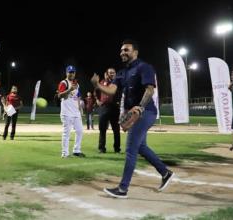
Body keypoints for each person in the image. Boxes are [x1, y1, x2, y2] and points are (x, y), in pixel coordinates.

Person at [91, 39, 174, 198]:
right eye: (121, 50)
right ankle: (165, 173)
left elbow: (149, 90)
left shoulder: (144, 67)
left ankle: (123, 189)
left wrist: (140, 108)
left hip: (146, 112)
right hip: (135, 112)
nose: (122, 52)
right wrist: (97, 85)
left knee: (130, 149)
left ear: (135, 52)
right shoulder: (122, 72)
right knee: (141, 147)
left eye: (126, 50)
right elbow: (111, 90)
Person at [58, 65, 85, 158]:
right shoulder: (64, 83)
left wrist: (80, 108)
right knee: (67, 133)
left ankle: (76, 150)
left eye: (73, 72)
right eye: (70, 72)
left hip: (76, 112)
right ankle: (65, 153)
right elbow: (59, 95)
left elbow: (78, 96)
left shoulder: (77, 84)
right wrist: (69, 89)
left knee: (80, 131)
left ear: (75, 73)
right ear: (66, 73)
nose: (71, 74)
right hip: (66, 112)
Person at [95, 68, 121, 153]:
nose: (112, 74)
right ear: (107, 74)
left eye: (113, 73)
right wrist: (98, 100)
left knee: (116, 129)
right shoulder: (102, 83)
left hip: (114, 108)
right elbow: (96, 92)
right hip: (104, 107)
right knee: (102, 129)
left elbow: (122, 93)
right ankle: (102, 148)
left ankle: (117, 148)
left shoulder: (118, 83)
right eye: (110, 73)